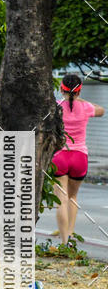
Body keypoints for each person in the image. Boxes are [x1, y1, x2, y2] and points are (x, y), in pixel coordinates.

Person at [52, 73, 104, 244]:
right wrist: (79, 99)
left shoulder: (56, 107)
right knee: (72, 197)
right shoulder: (86, 107)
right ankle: (70, 234)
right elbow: (101, 110)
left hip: (60, 156)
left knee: (61, 200)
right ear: (79, 91)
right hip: (80, 157)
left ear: (61, 89)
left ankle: (64, 242)